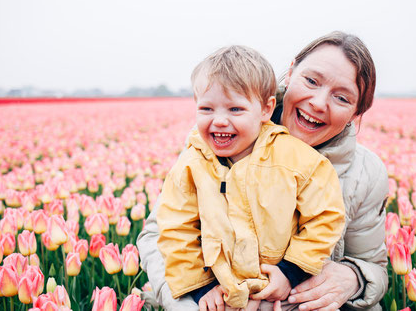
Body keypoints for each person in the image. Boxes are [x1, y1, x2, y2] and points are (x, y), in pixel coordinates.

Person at [137, 31, 389, 311]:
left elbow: (374, 266)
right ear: (290, 73)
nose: (318, 103)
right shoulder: (213, 145)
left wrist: (354, 279)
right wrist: (196, 301)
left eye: (342, 98)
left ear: (356, 113)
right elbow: (161, 235)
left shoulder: (366, 172)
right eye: (311, 81)